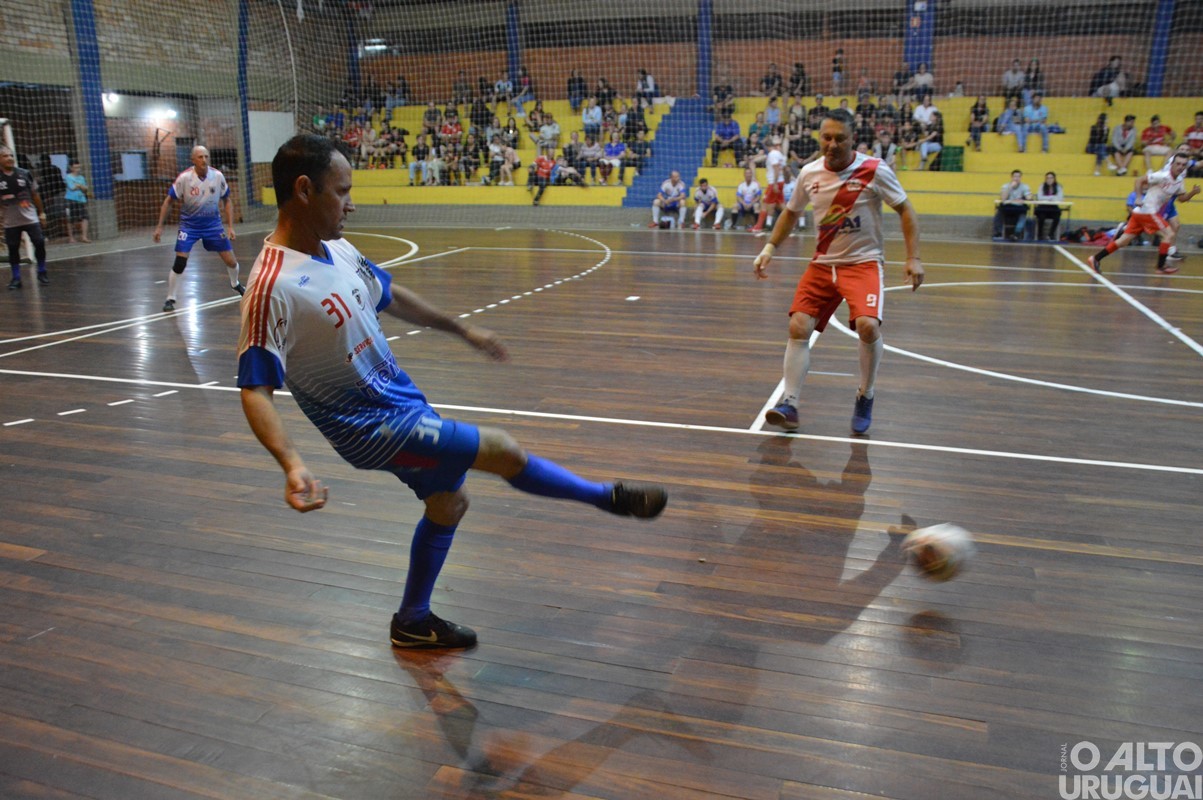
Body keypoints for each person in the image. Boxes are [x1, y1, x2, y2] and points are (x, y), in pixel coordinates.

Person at [237, 135, 666, 651]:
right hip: (370, 428)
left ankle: (412, 621)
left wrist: (462, 330)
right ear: (304, 190)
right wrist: (290, 463)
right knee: (502, 449)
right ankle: (608, 499)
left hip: (400, 401)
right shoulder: (271, 286)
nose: (352, 203)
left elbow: (392, 298)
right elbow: (255, 388)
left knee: (449, 502)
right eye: (342, 191)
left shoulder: (340, 250)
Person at [752, 109, 922, 435]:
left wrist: (913, 257)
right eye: (826, 137)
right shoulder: (808, 173)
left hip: (863, 262)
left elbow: (905, 209)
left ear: (852, 138)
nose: (831, 144)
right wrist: (770, 247)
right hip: (822, 263)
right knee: (798, 325)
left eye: (839, 138)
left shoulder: (874, 170)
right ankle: (790, 403)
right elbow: (790, 213)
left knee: (868, 327)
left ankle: (865, 395)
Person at [153, 145, 243, 312]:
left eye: (206, 157)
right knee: (180, 262)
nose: (204, 160)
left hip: (213, 226)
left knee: (231, 262)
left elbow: (227, 200)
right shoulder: (184, 178)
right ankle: (170, 299)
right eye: (200, 157)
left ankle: (235, 284)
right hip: (190, 226)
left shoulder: (217, 176)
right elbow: (168, 201)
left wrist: (230, 226)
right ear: (193, 160)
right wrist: (160, 227)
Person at [1088, 152, 1199, 275]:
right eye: (1178, 164)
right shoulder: (1162, 176)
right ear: (1172, 164)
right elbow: (1139, 180)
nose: (1180, 167)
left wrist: (1193, 192)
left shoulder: (1179, 181)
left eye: (1183, 165)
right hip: (1147, 210)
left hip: (1140, 213)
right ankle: (1160, 266)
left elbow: (1182, 199)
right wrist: (1139, 197)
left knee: (1123, 241)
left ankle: (1096, 258)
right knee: (1168, 234)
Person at [0, 146, 49, 289]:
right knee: (13, 248)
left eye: (11, 155)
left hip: (30, 218)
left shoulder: (24, 173)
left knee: (39, 242)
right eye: (5, 156)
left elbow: (35, 194)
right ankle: (16, 278)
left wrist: (42, 213)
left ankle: (42, 271)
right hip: (11, 221)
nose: (9, 158)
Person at [750, 137, 788, 234]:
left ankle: (758, 226)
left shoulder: (772, 154)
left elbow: (776, 169)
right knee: (781, 204)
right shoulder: (779, 154)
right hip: (780, 181)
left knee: (765, 203)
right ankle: (791, 223)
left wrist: (775, 183)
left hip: (774, 182)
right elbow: (784, 168)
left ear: (766, 146)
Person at [993, 169, 1032, 240]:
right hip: (1008, 207)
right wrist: (1010, 187)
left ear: (1020, 178)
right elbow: (1003, 198)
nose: (1016, 178)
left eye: (1018, 177)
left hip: (1019, 208)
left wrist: (1025, 198)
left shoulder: (1025, 186)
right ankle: (998, 233)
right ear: (1011, 177)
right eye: (1015, 176)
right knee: (999, 213)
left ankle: (1016, 234)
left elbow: (1029, 197)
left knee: (1023, 214)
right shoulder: (1005, 186)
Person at [63, 160, 92, 244]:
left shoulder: (81, 177)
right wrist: (80, 186)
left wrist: (79, 186)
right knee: (70, 219)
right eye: (76, 167)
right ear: (71, 168)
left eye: (79, 167)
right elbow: (72, 187)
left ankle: (84, 236)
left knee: (85, 217)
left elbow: (85, 188)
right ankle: (71, 238)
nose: (78, 169)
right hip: (71, 200)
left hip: (81, 199)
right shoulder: (68, 177)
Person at [1033, 172, 1065, 241]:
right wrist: (1052, 197)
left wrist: (1047, 198)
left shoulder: (1058, 187)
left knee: (1057, 217)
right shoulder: (1042, 186)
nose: (1049, 180)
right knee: (1041, 217)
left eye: (1051, 178)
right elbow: (1040, 197)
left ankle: (1051, 234)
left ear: (1054, 179)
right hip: (1043, 207)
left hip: (1053, 207)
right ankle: (1039, 235)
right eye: (1047, 178)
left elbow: (1060, 198)